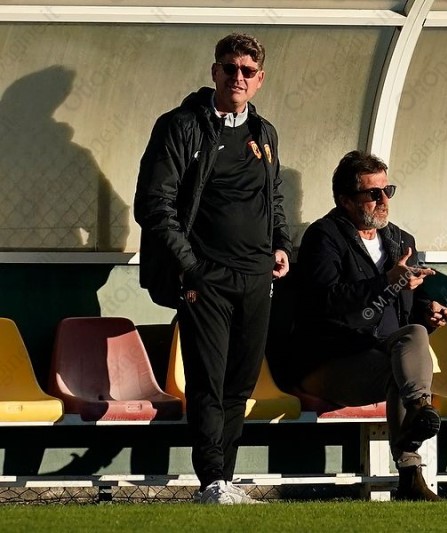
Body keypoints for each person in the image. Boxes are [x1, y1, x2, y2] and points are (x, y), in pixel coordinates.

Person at [134, 33, 292, 504]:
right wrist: (190, 267)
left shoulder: (265, 133)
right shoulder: (181, 126)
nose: (237, 77)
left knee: (239, 384)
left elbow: (274, 197)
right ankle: (211, 482)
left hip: (256, 277)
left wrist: (281, 244)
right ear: (215, 72)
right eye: (230, 68)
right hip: (206, 278)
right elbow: (154, 204)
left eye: (247, 71)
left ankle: (226, 478)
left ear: (260, 80)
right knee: (208, 381)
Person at [288, 150, 447, 501]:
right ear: (346, 200)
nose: (383, 201)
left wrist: (427, 311)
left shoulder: (401, 241)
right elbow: (325, 302)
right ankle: (412, 464)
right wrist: (386, 281)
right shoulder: (324, 237)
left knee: (415, 336)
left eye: (387, 190)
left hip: (383, 357)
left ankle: (417, 425)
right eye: (372, 193)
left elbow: (406, 310)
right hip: (332, 362)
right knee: (402, 374)